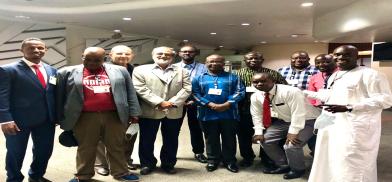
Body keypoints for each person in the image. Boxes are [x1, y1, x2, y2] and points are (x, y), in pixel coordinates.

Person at [305, 45, 392, 182]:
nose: (340, 57)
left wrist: (349, 107)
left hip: (356, 128)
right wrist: (305, 93)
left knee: (352, 161)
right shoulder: (336, 74)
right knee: (332, 158)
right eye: (337, 55)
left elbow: (385, 100)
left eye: (346, 54)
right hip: (333, 125)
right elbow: (332, 95)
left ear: (356, 56)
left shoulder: (370, 74)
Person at [56, 47, 141, 182]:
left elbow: (130, 92)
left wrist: (134, 113)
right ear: (82, 56)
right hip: (84, 116)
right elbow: (59, 96)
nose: (92, 63)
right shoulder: (66, 72)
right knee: (86, 146)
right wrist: (59, 116)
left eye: (97, 60)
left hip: (114, 115)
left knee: (117, 145)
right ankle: (82, 175)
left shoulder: (120, 71)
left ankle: (121, 172)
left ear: (105, 59)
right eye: (87, 59)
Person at [0, 38, 57, 182]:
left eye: (40, 48)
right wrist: (5, 119)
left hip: (46, 120)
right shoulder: (8, 70)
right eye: (31, 48)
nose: (36, 51)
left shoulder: (52, 70)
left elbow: (52, 94)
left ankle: (36, 175)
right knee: (15, 152)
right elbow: (2, 96)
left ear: (45, 50)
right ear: (22, 50)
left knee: (44, 151)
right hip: (18, 121)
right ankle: (13, 178)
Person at [132, 46, 191, 175]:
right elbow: (140, 88)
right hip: (149, 110)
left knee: (171, 139)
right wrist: (159, 102)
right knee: (146, 139)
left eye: (167, 54)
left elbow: (187, 88)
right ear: (153, 55)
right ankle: (147, 163)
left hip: (173, 111)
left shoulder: (182, 71)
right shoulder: (140, 70)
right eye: (160, 53)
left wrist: (172, 103)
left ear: (173, 57)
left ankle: (168, 163)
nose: (163, 56)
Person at [250, 73, 320, 179]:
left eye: (263, 81)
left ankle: (298, 169)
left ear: (272, 80)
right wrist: (258, 132)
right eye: (255, 82)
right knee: (265, 140)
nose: (259, 84)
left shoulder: (291, 91)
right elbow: (256, 115)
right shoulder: (256, 96)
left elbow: (299, 113)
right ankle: (284, 164)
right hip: (284, 121)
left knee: (292, 145)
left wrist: (293, 132)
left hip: (307, 120)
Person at [192, 54, 245, 173]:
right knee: (211, 139)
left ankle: (230, 161)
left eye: (218, 61)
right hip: (206, 114)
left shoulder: (233, 77)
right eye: (211, 61)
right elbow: (195, 94)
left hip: (229, 114)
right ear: (206, 63)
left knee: (229, 138)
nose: (214, 64)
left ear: (223, 63)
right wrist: (209, 104)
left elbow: (240, 92)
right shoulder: (198, 78)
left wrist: (227, 104)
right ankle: (213, 160)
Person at [235, 51, 287, 167]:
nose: (253, 60)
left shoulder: (273, 74)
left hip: (268, 109)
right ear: (245, 61)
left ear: (262, 60)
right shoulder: (237, 74)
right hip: (244, 109)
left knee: (267, 134)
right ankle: (247, 157)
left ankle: (267, 157)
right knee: (244, 135)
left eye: (256, 58)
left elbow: (284, 88)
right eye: (250, 59)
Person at [94, 45, 139, 176]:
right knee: (101, 138)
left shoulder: (135, 70)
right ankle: (101, 164)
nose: (123, 56)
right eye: (119, 53)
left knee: (129, 136)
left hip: (131, 109)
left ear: (132, 56)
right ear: (110, 55)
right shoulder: (101, 69)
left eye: (127, 54)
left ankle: (125, 160)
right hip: (108, 110)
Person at [278, 50, 319, 153]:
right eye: (295, 58)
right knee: (289, 136)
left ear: (309, 60)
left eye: (302, 58)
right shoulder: (282, 70)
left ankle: (316, 160)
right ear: (291, 59)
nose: (298, 60)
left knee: (313, 138)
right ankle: (289, 158)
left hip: (310, 109)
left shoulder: (317, 70)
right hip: (289, 108)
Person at [175, 44, 208, 163]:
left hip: (197, 101)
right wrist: (179, 100)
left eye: (190, 52)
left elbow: (206, 86)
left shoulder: (204, 68)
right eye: (184, 51)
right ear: (179, 53)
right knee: (173, 128)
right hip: (177, 102)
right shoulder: (173, 67)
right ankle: (171, 153)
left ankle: (198, 152)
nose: (187, 53)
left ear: (196, 53)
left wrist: (195, 100)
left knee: (196, 128)